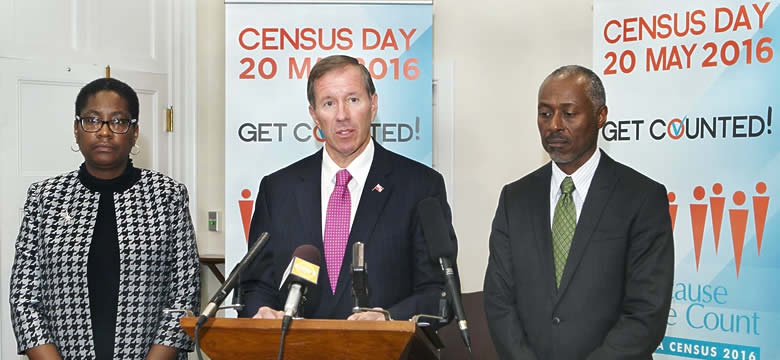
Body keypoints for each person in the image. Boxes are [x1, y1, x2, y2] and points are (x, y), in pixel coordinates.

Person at [238, 55, 456, 322]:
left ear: (373, 105)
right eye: (329, 103)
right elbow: (255, 285)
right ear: (314, 115)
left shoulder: (421, 186)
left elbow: (439, 291)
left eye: (353, 100)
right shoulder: (278, 189)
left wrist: (389, 318)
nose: (342, 115)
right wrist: (261, 311)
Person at [483, 65, 674, 359]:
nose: (554, 125)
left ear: (600, 116)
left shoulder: (641, 198)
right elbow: (499, 300)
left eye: (569, 114)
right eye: (545, 114)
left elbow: (646, 312)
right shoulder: (515, 198)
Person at [10, 77, 200, 360]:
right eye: (92, 120)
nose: (104, 132)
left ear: (134, 132)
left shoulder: (168, 196)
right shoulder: (45, 197)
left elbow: (184, 295)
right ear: (76, 129)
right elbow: (24, 299)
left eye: (118, 121)